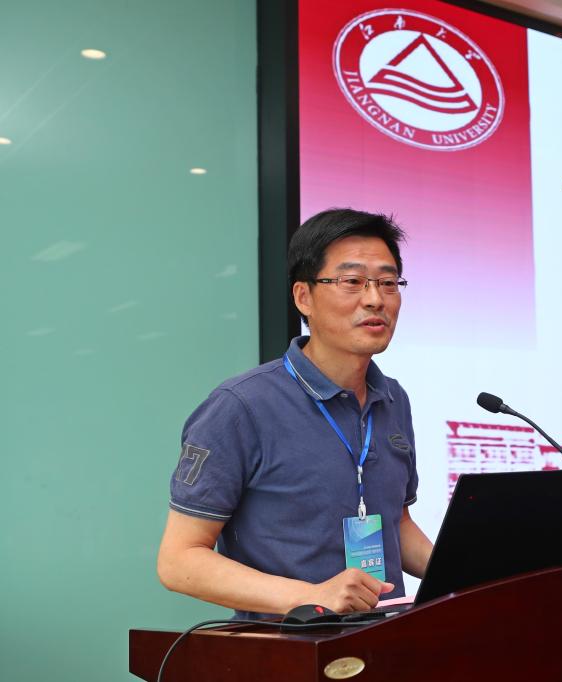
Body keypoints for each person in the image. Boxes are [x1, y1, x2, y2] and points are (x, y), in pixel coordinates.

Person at [157, 208, 433, 619]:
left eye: (388, 283)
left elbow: (396, 523)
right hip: (286, 644)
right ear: (303, 296)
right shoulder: (241, 406)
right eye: (352, 282)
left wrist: (470, 572)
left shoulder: (392, 398)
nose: (375, 299)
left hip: (385, 639)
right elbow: (179, 560)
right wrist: (311, 596)